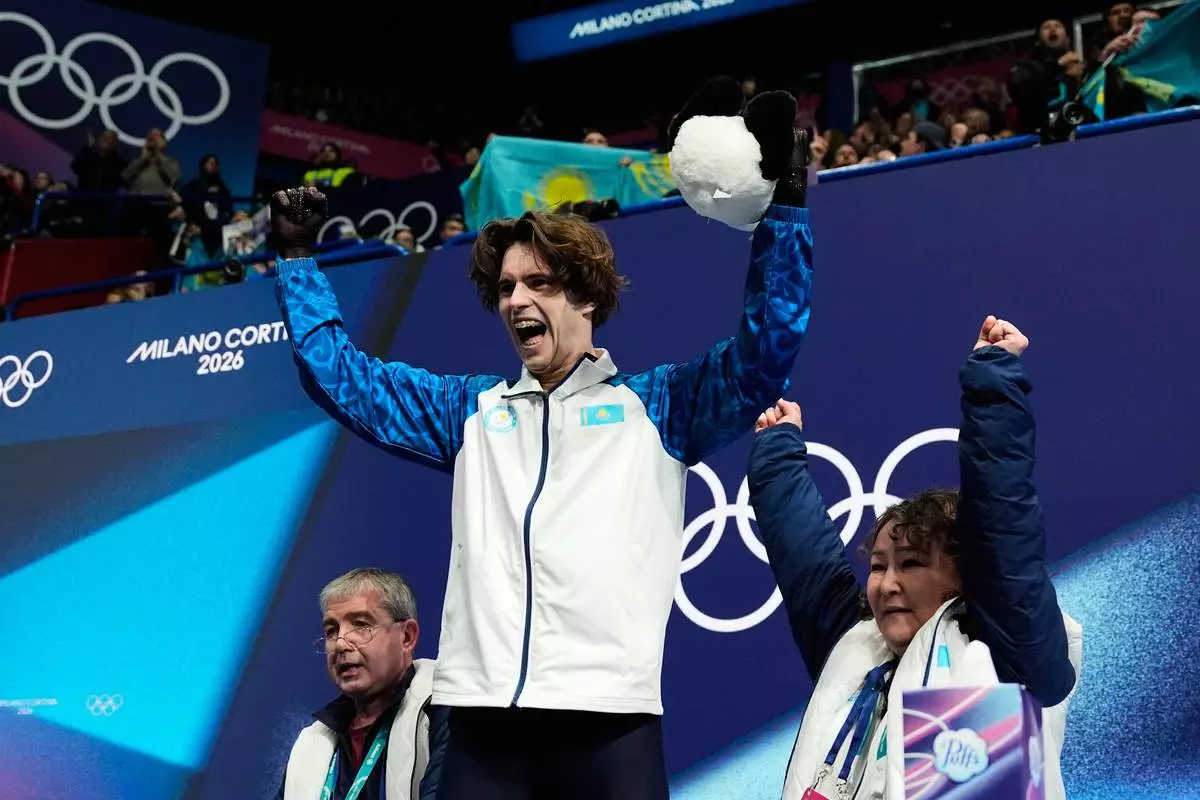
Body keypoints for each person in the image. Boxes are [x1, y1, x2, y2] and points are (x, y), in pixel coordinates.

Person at [268, 106, 813, 797]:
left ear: (585, 296)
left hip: (608, 725)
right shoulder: (470, 413)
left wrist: (786, 213)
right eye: (505, 288)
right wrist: (295, 261)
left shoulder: (662, 407)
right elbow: (342, 379)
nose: (516, 300)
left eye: (539, 283)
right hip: (480, 731)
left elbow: (766, 351)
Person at [747, 316, 1083, 800]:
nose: (886, 585)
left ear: (964, 572)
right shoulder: (857, 647)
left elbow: (1004, 523)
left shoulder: (1011, 648)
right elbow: (806, 560)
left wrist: (992, 380)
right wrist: (777, 453)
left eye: (910, 564)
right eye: (879, 566)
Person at [277, 568, 448, 800]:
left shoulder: (442, 709)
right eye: (331, 630)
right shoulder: (310, 744)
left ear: (406, 637)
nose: (340, 644)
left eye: (361, 625)